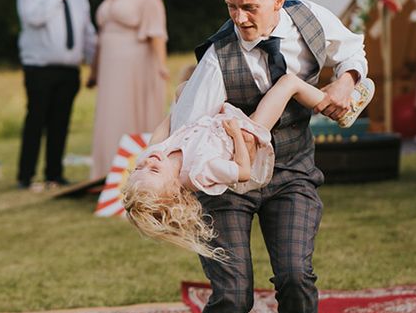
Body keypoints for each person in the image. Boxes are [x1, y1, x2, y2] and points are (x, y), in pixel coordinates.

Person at [171, 0, 367, 313]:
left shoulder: (310, 19)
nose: (239, 18)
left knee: (297, 279)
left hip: (292, 173)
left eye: (250, 7)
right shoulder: (217, 59)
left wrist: (347, 79)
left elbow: (352, 51)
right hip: (227, 184)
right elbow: (187, 131)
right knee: (233, 294)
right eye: (231, 6)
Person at [122, 73, 374, 258]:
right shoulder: (200, 173)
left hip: (211, 123)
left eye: (138, 168)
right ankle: (340, 108)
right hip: (247, 133)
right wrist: (236, 135)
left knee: (183, 89)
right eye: (153, 170)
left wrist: (186, 107)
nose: (148, 163)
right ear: (175, 189)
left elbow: (169, 119)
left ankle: (326, 93)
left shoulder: (156, 152)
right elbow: (242, 172)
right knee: (288, 83)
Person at [16, 0, 97, 189]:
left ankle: (54, 173)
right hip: (39, 68)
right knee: (36, 120)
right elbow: (34, 19)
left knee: (60, 122)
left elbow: (88, 34)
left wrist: (93, 66)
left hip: (69, 70)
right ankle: (26, 175)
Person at [88, 0, 169, 179]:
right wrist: (94, 71)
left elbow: (156, 33)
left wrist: (161, 65)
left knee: (128, 111)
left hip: (135, 66)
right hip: (109, 68)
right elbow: (101, 37)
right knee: (110, 113)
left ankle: (133, 173)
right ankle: (105, 172)